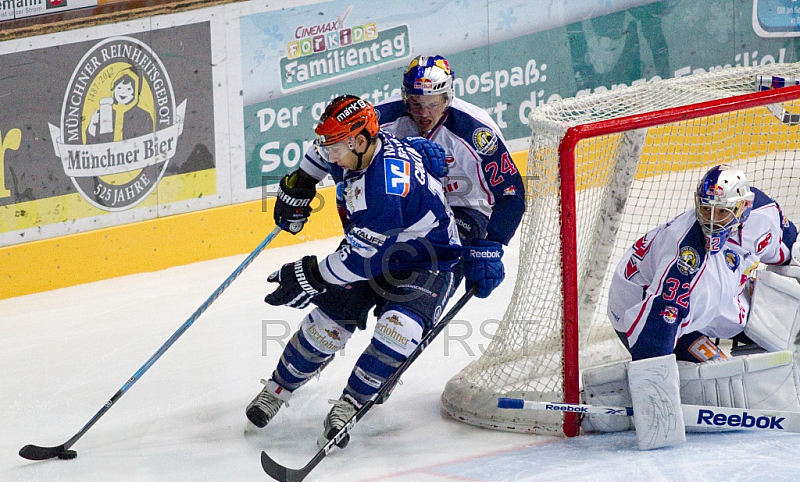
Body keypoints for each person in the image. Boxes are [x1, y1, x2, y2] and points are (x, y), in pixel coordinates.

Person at [246, 95, 462, 448]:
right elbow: (321, 154)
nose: (331, 156)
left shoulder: (385, 188)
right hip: (379, 248)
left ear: (360, 141)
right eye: (329, 146)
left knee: (399, 330)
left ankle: (349, 405)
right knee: (325, 326)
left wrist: (311, 274)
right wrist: (302, 181)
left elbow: (361, 262)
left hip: (426, 260)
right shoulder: (355, 149)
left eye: (336, 148)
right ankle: (277, 389)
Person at [584, 164, 800, 449]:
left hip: (719, 294)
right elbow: (653, 340)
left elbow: (790, 250)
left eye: (722, 212)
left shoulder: (763, 214)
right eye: (706, 210)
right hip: (640, 306)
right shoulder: (685, 263)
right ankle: (607, 395)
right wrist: (656, 409)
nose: (711, 221)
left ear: (743, 207)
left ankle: (743, 340)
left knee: (787, 302)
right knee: (721, 380)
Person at [288, 55, 526, 300]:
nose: (423, 113)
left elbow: (512, 193)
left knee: (422, 289)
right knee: (348, 292)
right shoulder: (383, 117)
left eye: (432, 104)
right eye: (415, 103)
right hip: (405, 204)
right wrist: (303, 182)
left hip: (463, 210)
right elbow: (335, 139)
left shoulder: (476, 133)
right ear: (405, 97)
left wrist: (492, 244)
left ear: (448, 97)